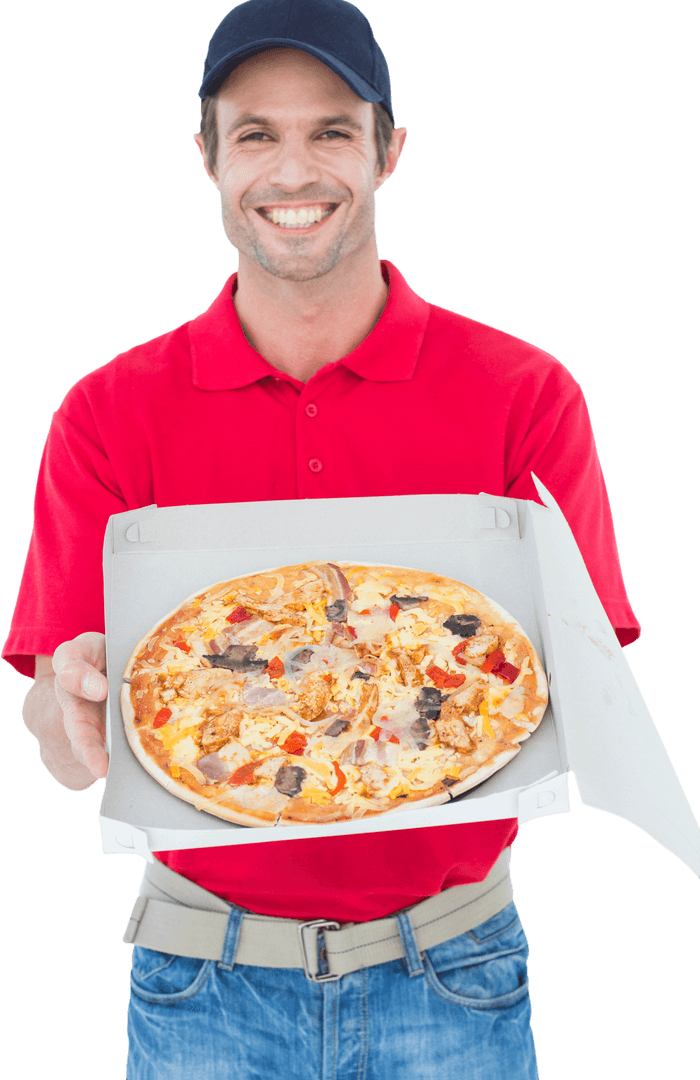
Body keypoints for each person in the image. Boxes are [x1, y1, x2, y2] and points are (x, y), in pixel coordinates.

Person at [6, 2, 640, 1077]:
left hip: (457, 966)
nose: (293, 171)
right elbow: (60, 732)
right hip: (197, 971)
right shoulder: (106, 412)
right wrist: (69, 717)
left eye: (332, 131)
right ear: (206, 157)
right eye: (256, 133)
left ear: (387, 152)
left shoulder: (526, 395)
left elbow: (580, 687)